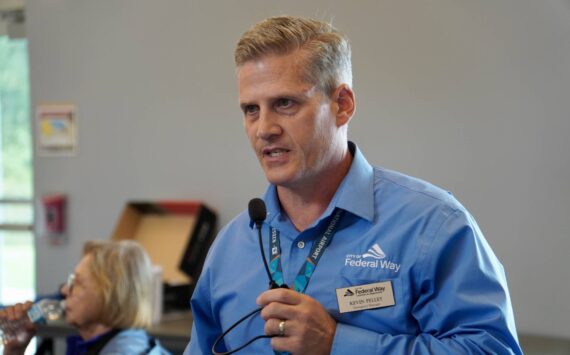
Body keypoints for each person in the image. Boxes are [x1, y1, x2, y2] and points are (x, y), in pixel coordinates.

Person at [186, 16, 522, 354]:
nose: (264, 129)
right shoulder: (230, 247)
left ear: (342, 105)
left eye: (285, 104)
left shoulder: (432, 225)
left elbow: (491, 349)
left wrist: (337, 343)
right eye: (250, 110)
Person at [0, 240, 169, 355]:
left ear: (110, 294)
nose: (65, 290)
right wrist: (14, 351)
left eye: (77, 282)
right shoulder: (112, 343)